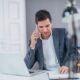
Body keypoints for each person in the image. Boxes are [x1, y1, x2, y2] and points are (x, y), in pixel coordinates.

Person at [24, 9, 70, 74]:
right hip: (45, 74)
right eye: (41, 27)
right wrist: (32, 45)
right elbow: (27, 66)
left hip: (62, 73)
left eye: (47, 26)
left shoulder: (62, 33)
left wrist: (67, 65)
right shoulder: (34, 40)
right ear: (37, 26)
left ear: (51, 23)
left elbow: (74, 52)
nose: (45, 30)